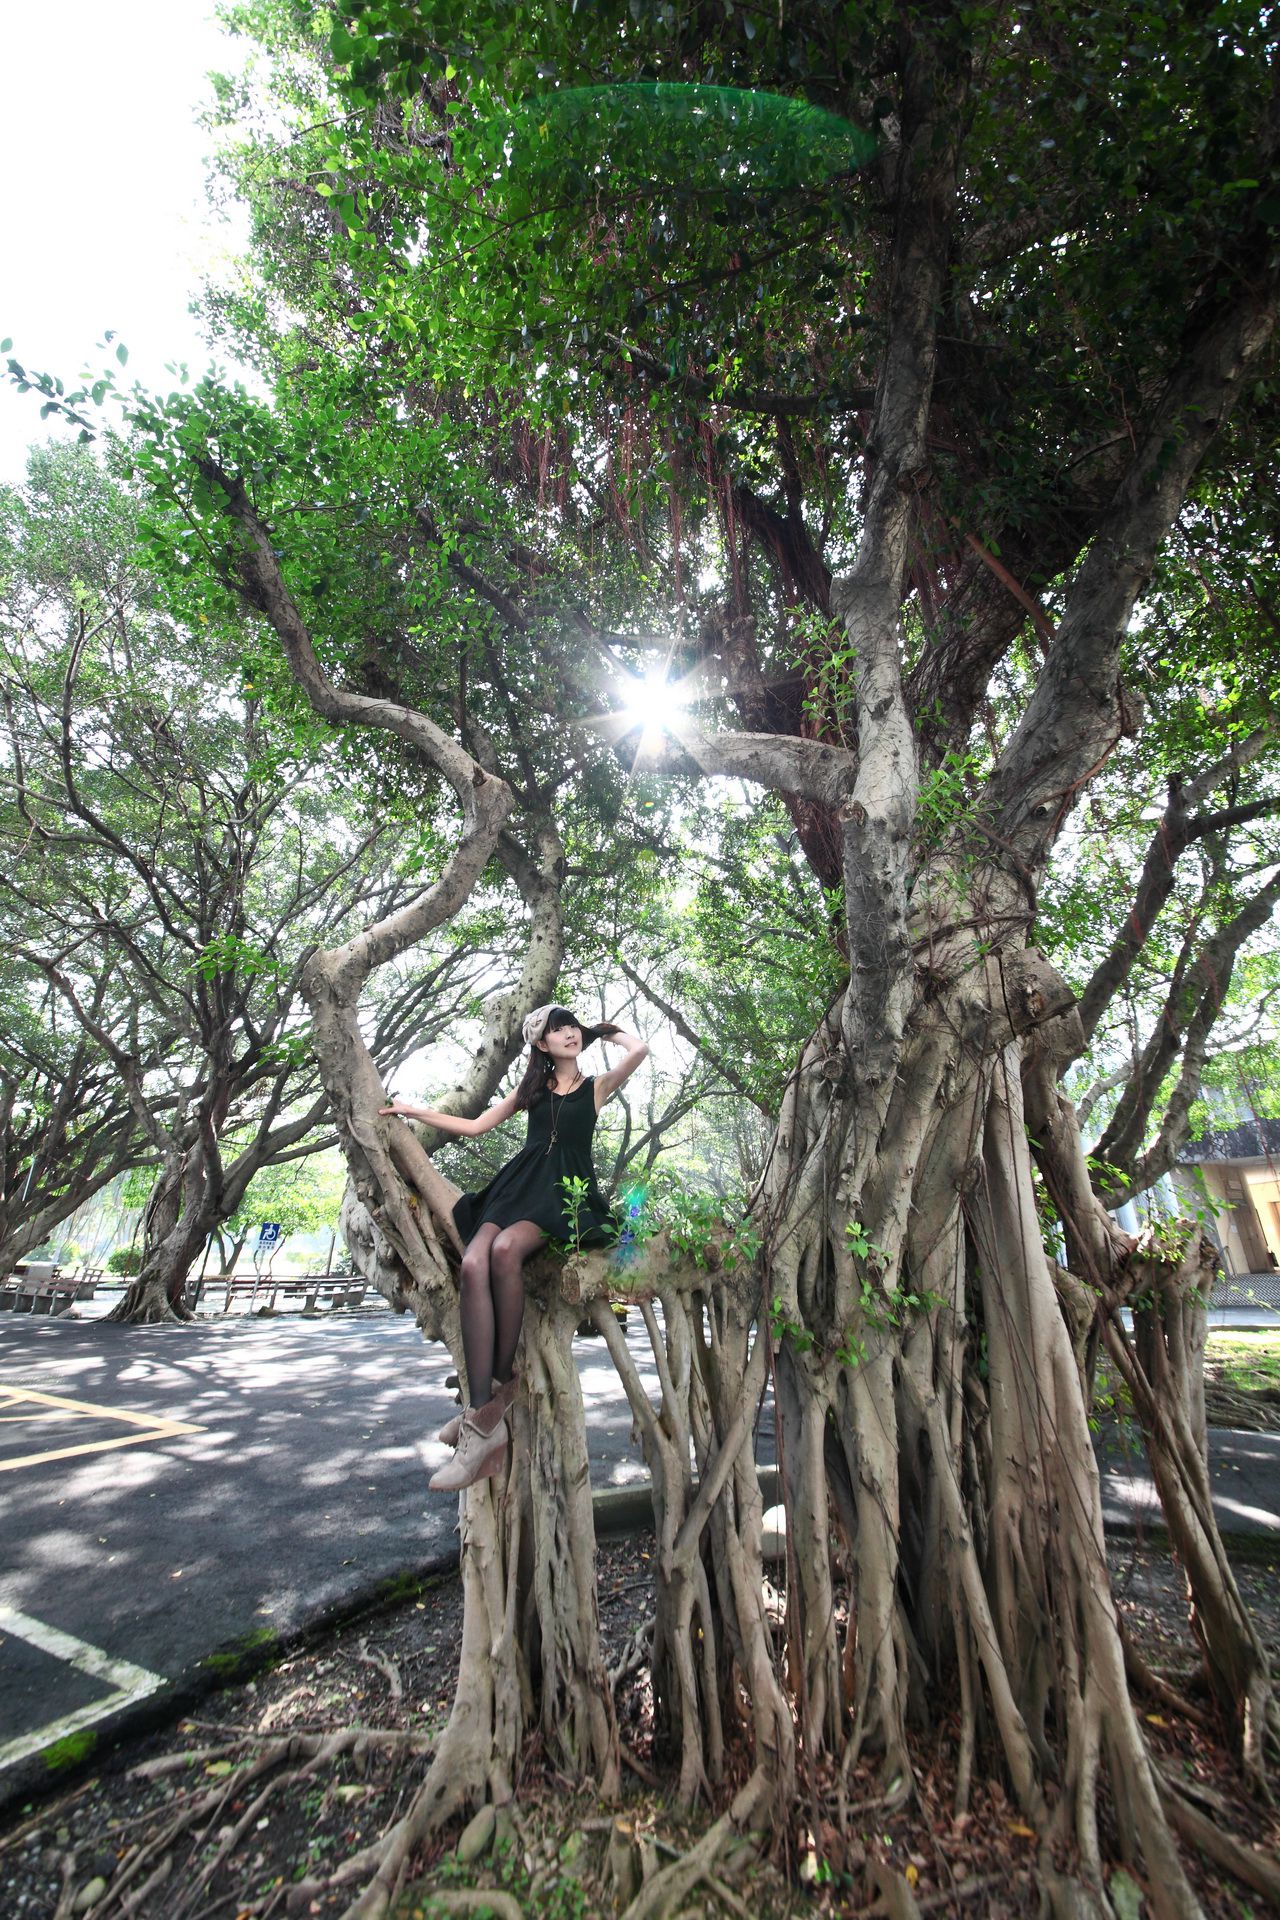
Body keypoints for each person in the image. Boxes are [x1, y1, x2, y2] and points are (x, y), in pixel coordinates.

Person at [380, 1004, 650, 1491]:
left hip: (559, 1195)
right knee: (474, 1262)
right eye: (556, 1030)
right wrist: (413, 1111)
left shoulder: (595, 1088)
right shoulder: (531, 1091)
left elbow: (640, 1050)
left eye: (571, 1027)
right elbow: (477, 1125)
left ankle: (480, 1417)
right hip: (515, 1187)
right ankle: (483, 1412)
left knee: (505, 1252)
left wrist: (607, 1032)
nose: (567, 1034)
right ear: (541, 1045)